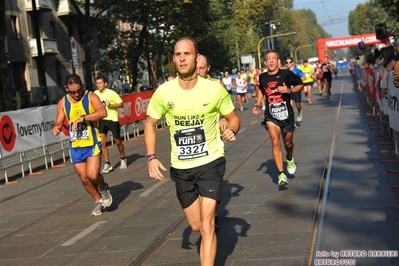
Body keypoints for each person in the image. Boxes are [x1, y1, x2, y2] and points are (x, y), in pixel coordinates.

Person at [144, 37, 240, 266]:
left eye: (187, 54)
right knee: (196, 225)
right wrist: (151, 157)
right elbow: (149, 124)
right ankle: (209, 218)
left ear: (196, 58)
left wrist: (231, 130)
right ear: (174, 59)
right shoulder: (164, 92)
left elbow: (233, 117)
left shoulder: (214, 89)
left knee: (207, 226)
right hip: (181, 167)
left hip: (211, 162)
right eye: (178, 54)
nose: (182, 58)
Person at [52, 74, 112, 216]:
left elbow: (102, 112)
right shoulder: (63, 103)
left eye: (78, 90)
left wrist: (83, 118)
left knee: (92, 175)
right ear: (66, 88)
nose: (76, 94)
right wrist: (57, 127)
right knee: (84, 179)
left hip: (92, 143)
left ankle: (103, 189)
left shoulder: (90, 97)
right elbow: (59, 121)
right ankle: (98, 201)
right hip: (76, 146)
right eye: (72, 91)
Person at [253, 50, 303, 186]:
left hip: (286, 114)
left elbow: (300, 84)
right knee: (275, 142)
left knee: (288, 144)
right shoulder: (262, 77)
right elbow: (262, 90)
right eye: (268, 59)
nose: (271, 61)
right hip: (271, 115)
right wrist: (258, 103)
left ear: (278, 61)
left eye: (273, 58)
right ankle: (281, 175)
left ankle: (289, 157)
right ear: (265, 62)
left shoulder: (286, 74)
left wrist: (290, 91)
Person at [94, 75, 128, 174]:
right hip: (102, 120)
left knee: (117, 141)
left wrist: (111, 105)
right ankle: (107, 163)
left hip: (112, 120)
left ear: (105, 84)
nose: (98, 85)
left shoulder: (111, 93)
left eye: (100, 83)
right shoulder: (95, 94)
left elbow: (121, 104)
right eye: (97, 83)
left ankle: (122, 158)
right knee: (103, 143)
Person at [285, 56, 305, 124]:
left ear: (292, 63)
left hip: (296, 89)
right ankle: (292, 122)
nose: (288, 64)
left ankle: (299, 111)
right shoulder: (285, 71)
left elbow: (304, 77)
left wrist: (298, 82)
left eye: (290, 62)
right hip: (289, 91)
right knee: (290, 107)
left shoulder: (296, 70)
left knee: (298, 105)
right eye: (287, 62)